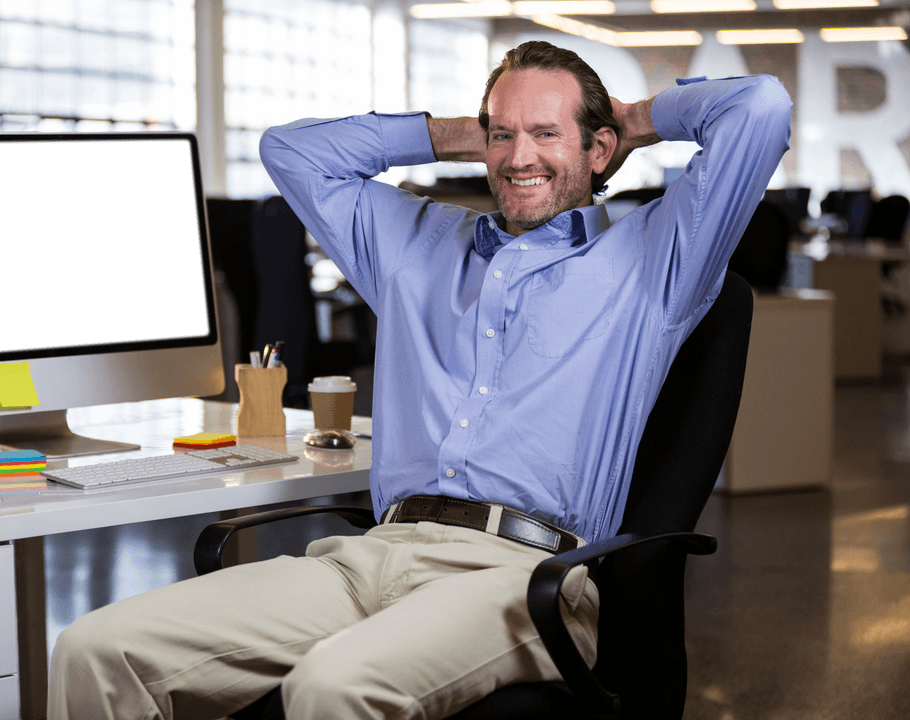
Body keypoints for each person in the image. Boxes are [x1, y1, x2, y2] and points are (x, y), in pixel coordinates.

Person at [48, 41, 791, 720]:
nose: (517, 156)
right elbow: (291, 152)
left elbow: (759, 109)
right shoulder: (415, 245)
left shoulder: (655, 260)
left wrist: (635, 118)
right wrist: (460, 133)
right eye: (504, 134)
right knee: (96, 649)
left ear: (599, 150)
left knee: (332, 687)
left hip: (521, 577)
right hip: (370, 555)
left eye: (545, 134)